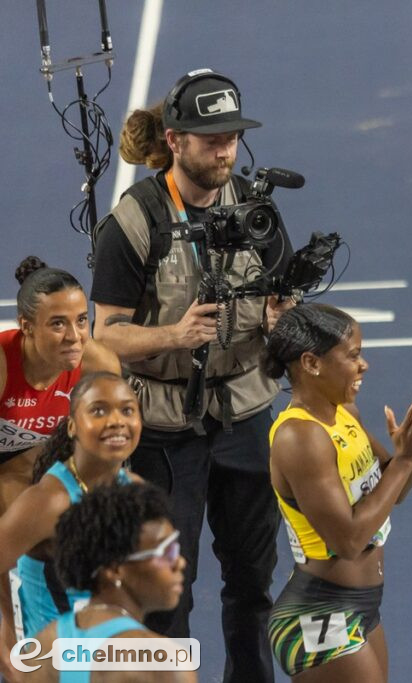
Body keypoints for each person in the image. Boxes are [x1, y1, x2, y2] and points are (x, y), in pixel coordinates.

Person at [89, 68, 293, 681]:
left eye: (232, 136)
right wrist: (173, 336)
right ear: (174, 140)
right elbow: (106, 334)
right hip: (163, 431)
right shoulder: (134, 221)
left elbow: (281, 297)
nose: (226, 149)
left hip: (246, 416)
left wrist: (280, 317)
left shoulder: (255, 210)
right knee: (167, 592)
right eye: (212, 139)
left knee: (253, 582)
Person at [262, 304, 412, 681]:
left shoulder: (345, 413)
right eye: (353, 356)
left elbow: (393, 492)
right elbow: (348, 541)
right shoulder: (300, 437)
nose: (364, 365)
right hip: (318, 612)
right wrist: (406, 457)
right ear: (311, 363)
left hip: (361, 604)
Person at [0, 257, 121, 679]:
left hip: (35, 466)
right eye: (57, 324)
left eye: (82, 320)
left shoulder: (98, 364)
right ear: (26, 326)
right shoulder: (3, 365)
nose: (74, 336)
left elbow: (108, 454)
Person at [0, 373, 140, 658]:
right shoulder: (49, 502)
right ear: (73, 425)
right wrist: (8, 629)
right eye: (98, 411)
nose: (117, 421)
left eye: (127, 410)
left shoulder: (134, 489)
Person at [29, 482, 195, 682]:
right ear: (114, 569)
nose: (180, 562)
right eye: (166, 552)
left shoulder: (42, 647)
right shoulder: (166, 664)